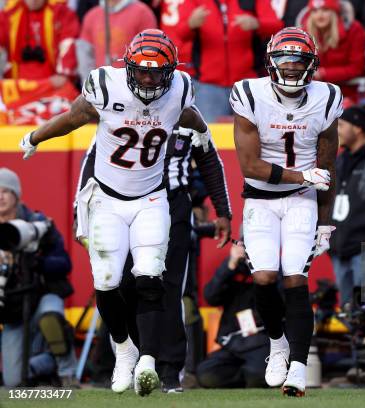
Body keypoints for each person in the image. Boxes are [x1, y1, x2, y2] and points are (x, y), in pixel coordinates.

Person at [18, 29, 210, 396]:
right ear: (128, 67)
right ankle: (124, 350)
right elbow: (75, 116)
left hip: (152, 199)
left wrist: (201, 132)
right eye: (142, 71)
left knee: (151, 276)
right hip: (107, 199)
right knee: (106, 283)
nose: (150, 79)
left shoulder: (181, 87)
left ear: (170, 71)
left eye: (157, 72)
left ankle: (149, 362)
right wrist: (36, 137)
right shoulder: (107, 85)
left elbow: (188, 114)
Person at [75, 121, 232, 392]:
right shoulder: (123, 109)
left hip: (173, 206)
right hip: (126, 204)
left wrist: (222, 210)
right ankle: (134, 356)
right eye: (146, 75)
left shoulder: (187, 117)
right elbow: (93, 157)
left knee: (168, 288)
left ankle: (170, 370)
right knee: (122, 284)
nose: (152, 82)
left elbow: (209, 159)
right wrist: (82, 208)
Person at [230, 27, 342, 397]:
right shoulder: (249, 93)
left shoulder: (326, 98)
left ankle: (297, 365)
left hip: (302, 199)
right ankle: (277, 343)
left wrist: (325, 221)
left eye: (299, 61)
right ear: (270, 62)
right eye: (284, 60)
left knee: (295, 276)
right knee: (263, 277)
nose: (292, 68)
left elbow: (328, 167)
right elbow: (249, 165)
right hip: (260, 198)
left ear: (312, 64)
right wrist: (301, 173)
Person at [0, 168, 77, 388]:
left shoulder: (38, 224)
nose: (0, 196)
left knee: (50, 315)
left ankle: (67, 372)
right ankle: (45, 364)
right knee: (13, 381)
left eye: (6, 191)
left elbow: (65, 264)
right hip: (12, 310)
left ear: (16, 195)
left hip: (42, 296)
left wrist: (39, 262)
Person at [175, 0, 282, 123]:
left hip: (249, 84)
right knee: (210, 136)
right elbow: (180, 32)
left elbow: (277, 28)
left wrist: (257, 24)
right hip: (208, 85)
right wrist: (190, 23)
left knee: (255, 133)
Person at [196, 240, 270, 388]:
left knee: (258, 375)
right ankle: (245, 376)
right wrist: (231, 264)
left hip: (262, 341)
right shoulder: (232, 269)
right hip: (233, 342)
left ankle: (251, 376)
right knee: (205, 374)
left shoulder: (272, 268)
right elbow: (211, 296)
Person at [329, 106, 365, 307]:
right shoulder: (342, 158)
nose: (337, 130)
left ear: (358, 128)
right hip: (340, 247)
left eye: (341, 125)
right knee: (347, 311)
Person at [0, 0, 79, 86]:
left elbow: (68, 44)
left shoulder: (60, 12)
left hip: (51, 82)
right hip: (17, 82)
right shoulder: (10, 13)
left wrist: (64, 74)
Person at [301, 0, 365, 101]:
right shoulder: (304, 33)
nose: (320, 15)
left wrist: (323, 73)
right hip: (313, 95)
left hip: (347, 95)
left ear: (334, 12)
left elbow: (357, 68)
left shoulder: (354, 30)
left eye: (325, 10)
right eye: (315, 11)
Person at [77, 0, 157, 82]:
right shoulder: (92, 16)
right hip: (100, 85)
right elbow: (85, 55)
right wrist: (90, 84)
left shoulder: (143, 13)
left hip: (131, 85)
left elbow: (150, 54)